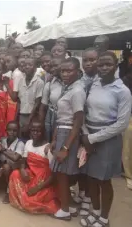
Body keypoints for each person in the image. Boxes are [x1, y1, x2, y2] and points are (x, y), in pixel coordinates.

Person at [80, 52, 132, 227]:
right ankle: (94, 211)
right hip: (89, 136)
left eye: (108, 64)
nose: (103, 68)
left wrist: (93, 138)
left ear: (116, 66)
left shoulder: (122, 91)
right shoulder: (94, 85)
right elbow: (85, 111)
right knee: (90, 177)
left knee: (104, 180)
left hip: (108, 139)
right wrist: (86, 134)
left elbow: (122, 124)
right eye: (101, 64)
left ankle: (104, 218)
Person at [50, 57, 85, 220]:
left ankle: (64, 209)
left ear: (78, 72)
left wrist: (65, 147)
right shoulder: (68, 88)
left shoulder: (77, 91)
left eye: (69, 70)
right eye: (63, 70)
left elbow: (78, 121)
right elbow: (60, 117)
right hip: (62, 130)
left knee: (63, 174)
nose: (65, 73)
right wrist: (55, 139)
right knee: (60, 173)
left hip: (69, 133)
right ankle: (68, 206)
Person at [8, 118, 59, 214]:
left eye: (38, 131)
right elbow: (23, 160)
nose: (35, 133)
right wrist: (22, 169)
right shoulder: (28, 143)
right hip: (31, 174)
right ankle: (21, 198)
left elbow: (54, 175)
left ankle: (26, 199)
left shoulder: (48, 148)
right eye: (33, 130)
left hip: (43, 180)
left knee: (30, 202)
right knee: (15, 174)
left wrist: (38, 188)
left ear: (43, 132)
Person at [12, 58, 44, 138]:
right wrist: (16, 118)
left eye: (30, 65)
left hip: (33, 116)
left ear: (35, 68)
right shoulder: (20, 81)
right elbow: (19, 101)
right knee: (21, 137)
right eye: (25, 65)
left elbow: (37, 103)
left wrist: (29, 121)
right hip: (22, 115)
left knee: (32, 137)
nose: (27, 67)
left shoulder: (39, 82)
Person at [0, 121, 25, 203]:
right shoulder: (2, 140)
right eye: (9, 130)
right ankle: (3, 185)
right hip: (2, 166)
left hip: (14, 168)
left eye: (15, 130)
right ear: (6, 130)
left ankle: (8, 192)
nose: (12, 132)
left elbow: (15, 158)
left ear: (18, 131)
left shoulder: (20, 143)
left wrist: (3, 150)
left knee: (6, 167)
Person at [39, 57, 63, 142]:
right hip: (51, 118)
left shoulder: (72, 83)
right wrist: (41, 124)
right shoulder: (50, 83)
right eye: (51, 66)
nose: (52, 69)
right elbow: (43, 105)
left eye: (55, 66)